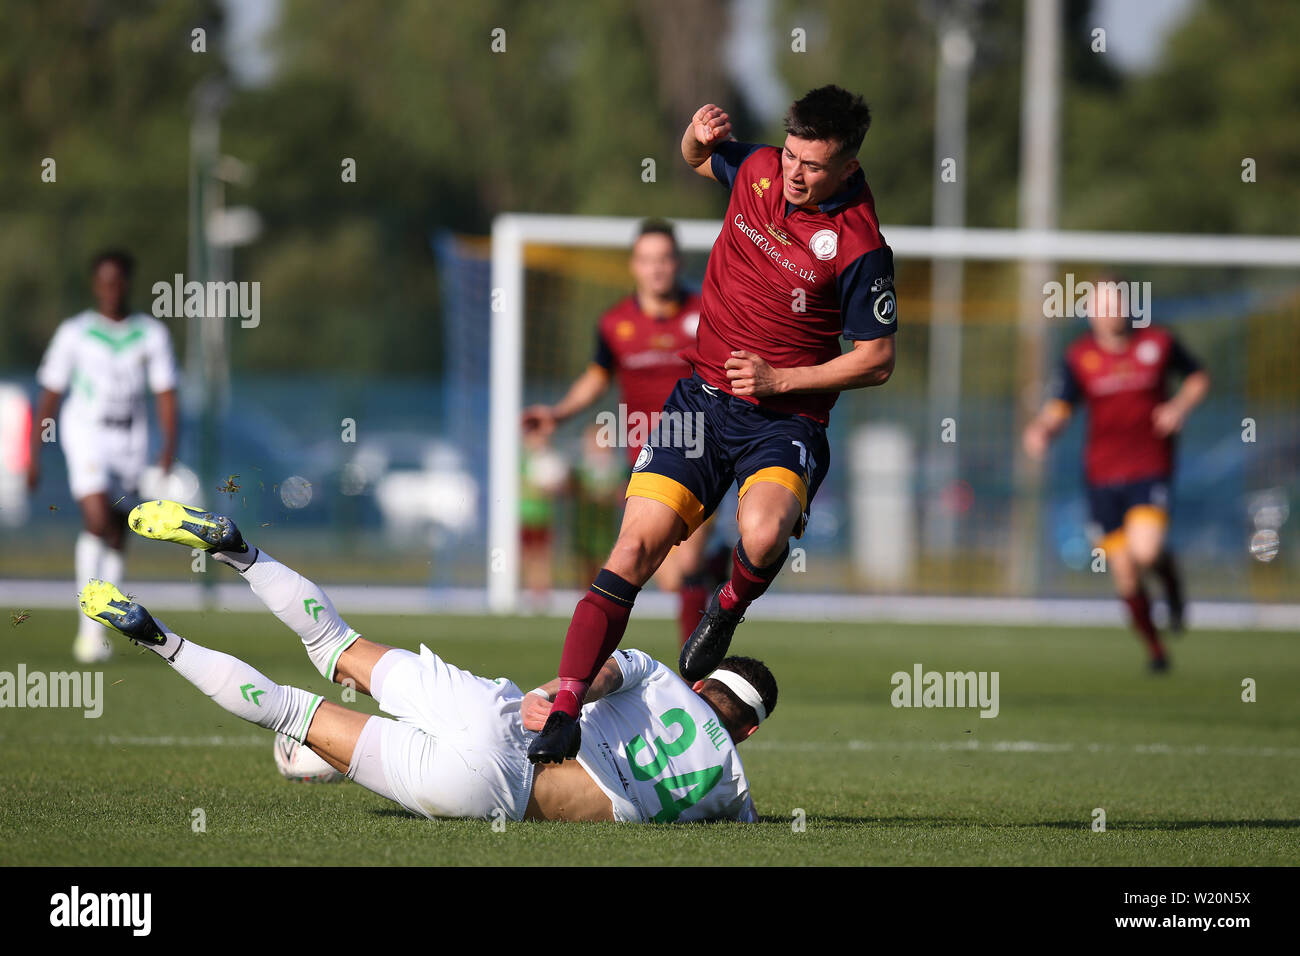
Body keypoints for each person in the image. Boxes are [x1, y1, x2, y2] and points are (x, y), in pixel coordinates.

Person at [529, 85, 897, 763]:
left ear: (847, 167)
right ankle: (564, 705)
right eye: (790, 155)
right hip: (698, 402)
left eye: (813, 167)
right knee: (633, 552)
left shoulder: (859, 243)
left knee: (761, 534)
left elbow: (876, 360)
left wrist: (783, 379)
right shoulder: (757, 168)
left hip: (783, 421)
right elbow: (699, 158)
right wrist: (696, 135)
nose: (793, 173)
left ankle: (725, 607)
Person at [78, 499, 773, 824]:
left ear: (706, 683)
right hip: (499, 794)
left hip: (498, 713)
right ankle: (155, 637)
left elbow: (599, 673)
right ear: (745, 729)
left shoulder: (660, 674)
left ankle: (238, 550)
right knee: (292, 712)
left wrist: (559, 699)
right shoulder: (733, 787)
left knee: (337, 645)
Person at [521, 218, 721, 645]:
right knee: (670, 579)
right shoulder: (615, 324)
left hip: (701, 450)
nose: (657, 269)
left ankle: (696, 675)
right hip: (647, 461)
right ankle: (719, 565)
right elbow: (596, 380)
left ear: (677, 262)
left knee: (682, 572)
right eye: (648, 260)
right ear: (634, 265)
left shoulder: (706, 313)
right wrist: (557, 415)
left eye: (665, 259)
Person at [1023, 277, 1210, 671]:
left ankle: (1171, 582)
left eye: (1115, 304)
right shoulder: (1079, 357)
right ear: (1090, 313)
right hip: (1102, 477)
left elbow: (1197, 377)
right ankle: (1157, 652)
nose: (1109, 313)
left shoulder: (1157, 344)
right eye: (1100, 306)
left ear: (1127, 307)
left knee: (1146, 551)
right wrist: (1043, 430)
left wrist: (1178, 407)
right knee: (1125, 574)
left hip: (1149, 469)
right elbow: (1060, 405)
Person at [28, 250, 179, 662]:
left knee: (117, 529)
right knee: (96, 517)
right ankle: (87, 629)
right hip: (87, 433)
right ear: (95, 285)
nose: (111, 289)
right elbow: (51, 393)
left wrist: (168, 447)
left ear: (127, 283)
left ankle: (107, 621)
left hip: (130, 439)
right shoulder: (75, 332)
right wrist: (34, 452)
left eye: (118, 281)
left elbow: (166, 392)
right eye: (104, 281)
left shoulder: (150, 333)